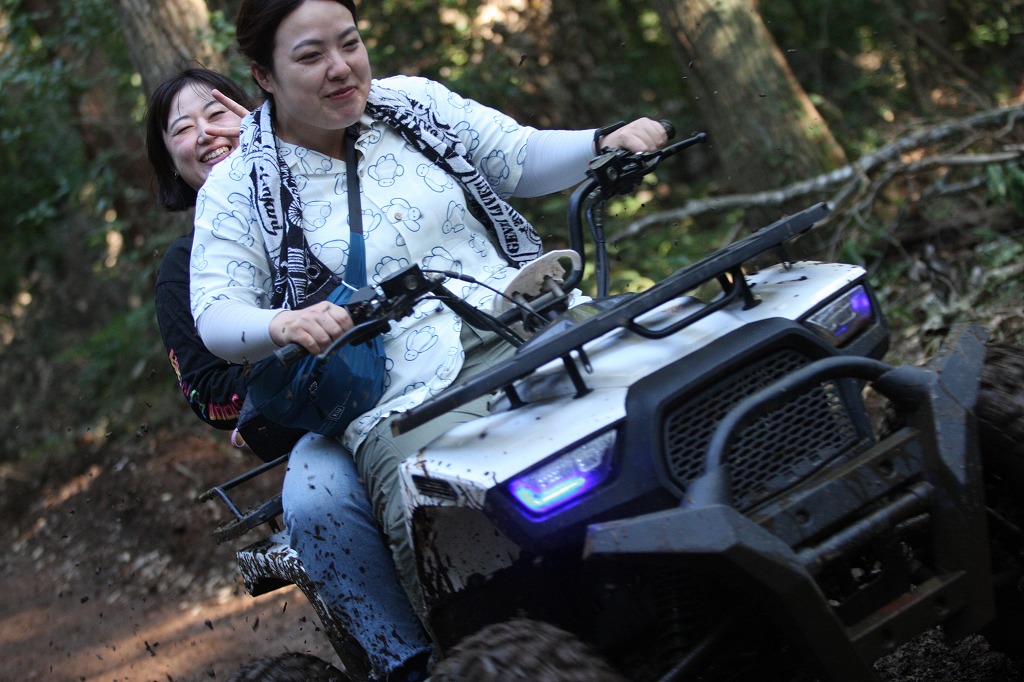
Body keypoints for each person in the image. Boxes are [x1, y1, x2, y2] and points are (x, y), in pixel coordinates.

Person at [190, 0, 667, 656]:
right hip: (406, 393)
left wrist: (601, 143)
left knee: (676, 377)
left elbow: (519, 156)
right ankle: (479, 657)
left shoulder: (413, 103)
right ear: (264, 76)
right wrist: (283, 322)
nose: (341, 67)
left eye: (349, 43)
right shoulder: (238, 187)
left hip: (533, 319)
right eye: (310, 56)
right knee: (451, 538)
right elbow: (216, 313)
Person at [147, 67, 432, 681]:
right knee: (317, 503)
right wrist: (281, 371)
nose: (206, 133)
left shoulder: (330, 173)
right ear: (170, 161)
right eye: (183, 128)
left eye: (216, 113)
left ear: (254, 113)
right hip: (324, 414)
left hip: (434, 347)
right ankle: (406, 662)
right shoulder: (185, 265)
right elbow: (206, 390)